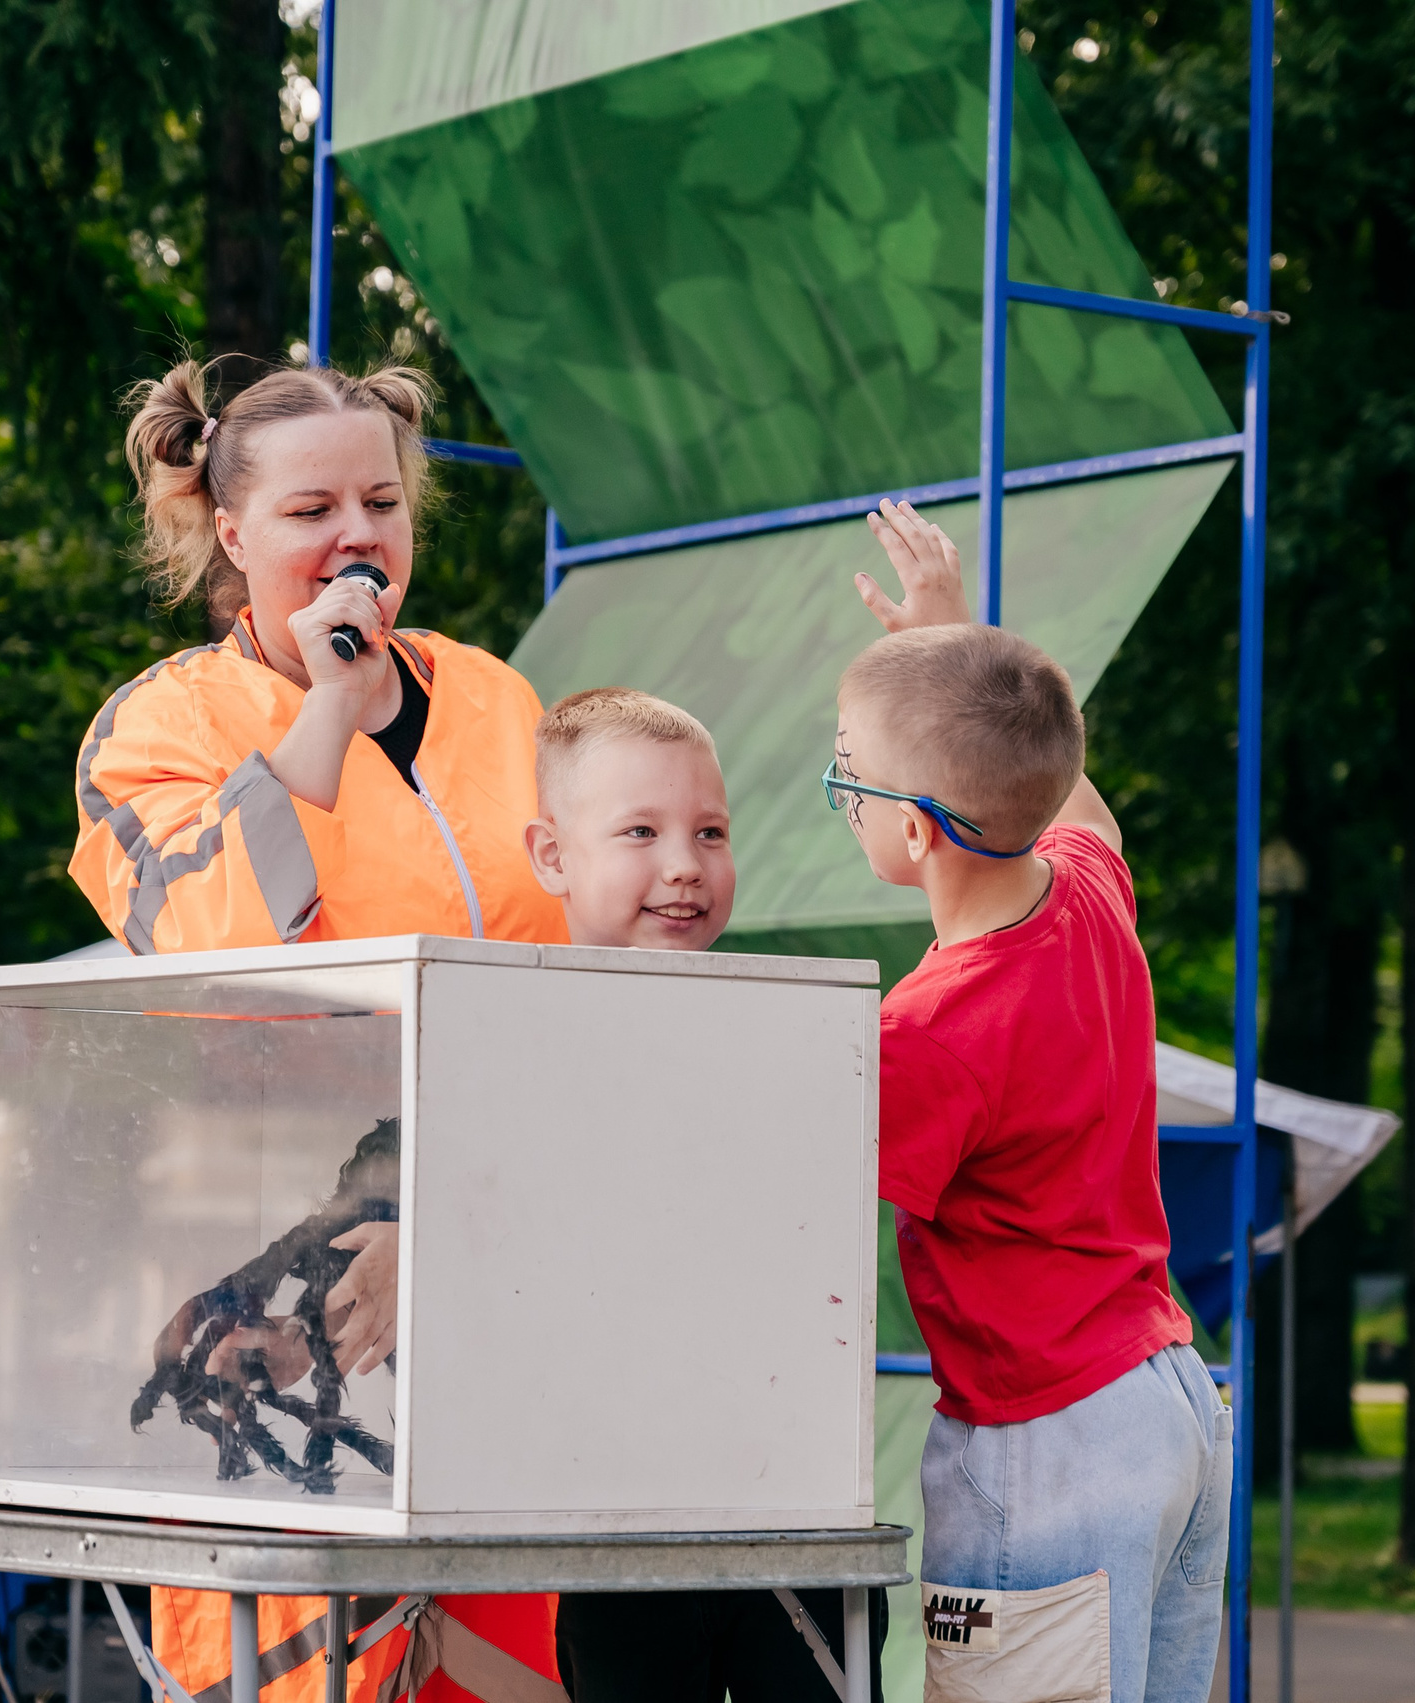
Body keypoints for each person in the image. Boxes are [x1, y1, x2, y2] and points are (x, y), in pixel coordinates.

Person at [71, 354, 567, 1702]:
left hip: (490, 1266)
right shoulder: (159, 723)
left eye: (382, 502)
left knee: (499, 1664)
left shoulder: (498, 699)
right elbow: (210, 937)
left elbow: (563, 975)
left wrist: (453, 1216)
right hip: (277, 1285)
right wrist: (327, 712)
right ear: (233, 534)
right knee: (302, 1671)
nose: (358, 536)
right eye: (311, 511)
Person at [829, 501, 1234, 1703]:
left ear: (909, 830)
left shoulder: (928, 1033)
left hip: (1046, 1434)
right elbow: (1070, 801)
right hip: (1168, 1406)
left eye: (844, 772)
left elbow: (805, 1230)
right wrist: (956, 641)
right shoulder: (1084, 892)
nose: (840, 789)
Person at [518, 687, 889, 1702]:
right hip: (619, 1536)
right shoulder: (509, 1046)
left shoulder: (786, 1035)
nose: (684, 863)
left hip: (798, 1520)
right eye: (640, 830)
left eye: (710, 831)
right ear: (551, 854)